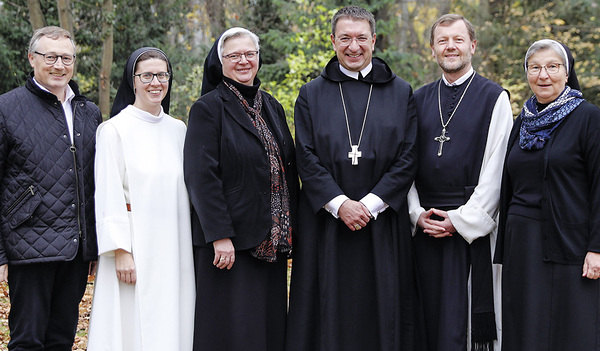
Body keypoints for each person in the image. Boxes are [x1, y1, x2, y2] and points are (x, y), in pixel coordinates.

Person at [286, 6, 418, 351]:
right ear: (332, 41)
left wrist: (371, 204)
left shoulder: (401, 91)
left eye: (361, 38)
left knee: (383, 309)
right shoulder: (311, 94)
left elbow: (408, 157)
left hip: (382, 222)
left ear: (374, 40)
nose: (353, 46)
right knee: (326, 308)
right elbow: (305, 156)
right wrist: (341, 204)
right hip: (327, 225)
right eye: (345, 38)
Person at [184, 27, 298, 351]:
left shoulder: (271, 106)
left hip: (270, 240)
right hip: (231, 245)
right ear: (220, 63)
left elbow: (285, 167)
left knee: (266, 328)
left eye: (250, 54)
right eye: (234, 56)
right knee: (233, 331)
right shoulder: (207, 108)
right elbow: (201, 176)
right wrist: (220, 235)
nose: (244, 61)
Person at [407, 14, 513, 351]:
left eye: (458, 39)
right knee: (425, 318)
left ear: (472, 45)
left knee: (462, 325)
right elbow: (403, 163)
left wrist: (459, 220)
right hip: (425, 226)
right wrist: (415, 213)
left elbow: (498, 168)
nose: (450, 46)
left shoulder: (494, 97)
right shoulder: (417, 99)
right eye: (442, 41)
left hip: (469, 230)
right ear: (433, 51)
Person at [86, 47, 195, 351]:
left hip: (175, 243)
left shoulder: (179, 129)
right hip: (133, 245)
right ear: (132, 81)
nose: (155, 82)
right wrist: (121, 250)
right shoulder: (113, 130)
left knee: (172, 316)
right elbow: (107, 192)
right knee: (131, 325)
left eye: (162, 75)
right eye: (146, 75)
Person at [494, 39, 600, 350]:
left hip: (571, 244)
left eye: (553, 67)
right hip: (522, 245)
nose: (543, 75)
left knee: (571, 330)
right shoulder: (522, 122)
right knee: (525, 327)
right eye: (535, 67)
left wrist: (597, 247)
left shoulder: (588, 118)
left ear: (567, 74)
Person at [0, 26, 101, 350]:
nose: (59, 65)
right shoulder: (7, 108)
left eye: (66, 58)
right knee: (27, 341)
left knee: (61, 340)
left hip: (75, 249)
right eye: (50, 57)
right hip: (27, 247)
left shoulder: (89, 112)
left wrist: (95, 245)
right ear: (32, 58)